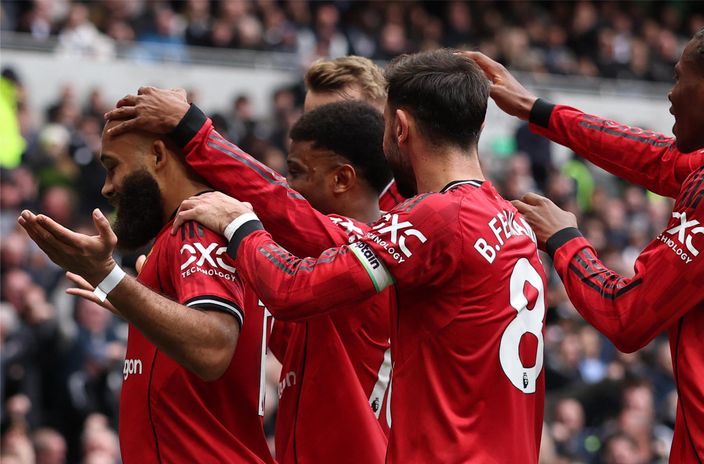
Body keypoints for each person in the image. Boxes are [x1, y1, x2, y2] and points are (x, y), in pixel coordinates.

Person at [133, 49, 548, 463]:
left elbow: (291, 287)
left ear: (398, 127)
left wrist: (239, 223)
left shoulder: (432, 220)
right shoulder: (512, 222)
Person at [466, 8, 704, 462]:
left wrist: (564, 239)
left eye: (679, 79)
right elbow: (657, 158)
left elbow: (626, 315)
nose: (671, 96)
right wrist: (537, 110)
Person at [108, 96, 394, 463]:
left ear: (342, 178)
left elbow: (279, 204)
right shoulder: (322, 279)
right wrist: (149, 304)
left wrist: (193, 130)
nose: (289, 185)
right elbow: (260, 324)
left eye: (296, 173)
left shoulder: (367, 246)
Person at [18, 120, 274, 463]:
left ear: (157, 155)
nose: (107, 188)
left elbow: (213, 347)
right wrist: (133, 300)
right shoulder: (180, 235)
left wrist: (108, 276)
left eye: (113, 167)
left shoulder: (197, 228)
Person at [303, 55, 405, 210]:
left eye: (338, 124)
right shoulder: (301, 197)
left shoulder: (414, 205)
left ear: (384, 120)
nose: (318, 137)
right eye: (311, 122)